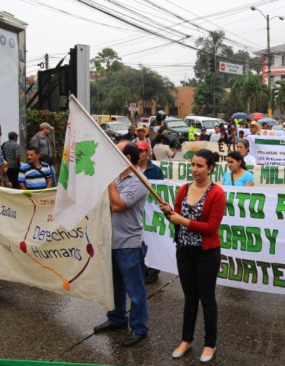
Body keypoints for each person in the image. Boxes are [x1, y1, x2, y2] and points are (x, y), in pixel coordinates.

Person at [159, 149, 225, 363]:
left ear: (210, 168)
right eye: (193, 165)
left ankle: (210, 343)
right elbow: (174, 217)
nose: (195, 169)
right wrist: (168, 212)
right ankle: (186, 340)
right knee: (189, 299)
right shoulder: (184, 189)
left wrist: (183, 221)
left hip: (207, 253)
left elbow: (212, 227)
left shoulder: (217, 193)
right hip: (184, 251)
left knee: (207, 299)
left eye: (200, 166)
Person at [93, 142, 149, 348]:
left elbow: (117, 205)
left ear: (126, 157)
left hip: (128, 243)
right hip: (110, 240)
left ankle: (139, 327)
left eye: (115, 152)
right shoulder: (117, 179)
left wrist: (108, 183)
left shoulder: (139, 180)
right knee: (114, 285)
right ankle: (116, 319)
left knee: (135, 290)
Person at [136, 140, 164, 284]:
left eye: (141, 151)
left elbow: (162, 192)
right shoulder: (131, 169)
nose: (139, 154)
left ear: (147, 153)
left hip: (152, 211)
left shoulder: (155, 170)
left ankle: (153, 270)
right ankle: (142, 268)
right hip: (137, 210)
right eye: (137, 150)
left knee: (152, 239)